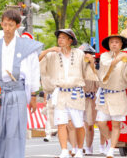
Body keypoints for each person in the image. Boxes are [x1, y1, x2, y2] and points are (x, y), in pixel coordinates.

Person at [0, 9, 42, 158]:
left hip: (17, 92)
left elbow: (33, 71)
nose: (7, 28)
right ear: (1, 24)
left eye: (11, 25)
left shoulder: (26, 47)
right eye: (5, 24)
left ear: (17, 25)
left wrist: (33, 96)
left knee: (15, 130)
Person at [39, 29, 97, 158]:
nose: (60, 40)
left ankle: (80, 149)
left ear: (71, 40)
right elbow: (38, 60)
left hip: (75, 92)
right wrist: (48, 50)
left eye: (64, 38)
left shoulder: (79, 54)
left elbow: (89, 71)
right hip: (60, 92)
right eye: (59, 37)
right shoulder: (53, 54)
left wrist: (91, 61)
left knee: (78, 124)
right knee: (61, 123)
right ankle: (64, 150)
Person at [96, 34, 127, 158]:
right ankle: (111, 140)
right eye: (112, 42)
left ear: (121, 45)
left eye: (116, 42)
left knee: (116, 124)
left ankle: (111, 149)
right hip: (105, 93)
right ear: (109, 45)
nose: (114, 44)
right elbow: (106, 67)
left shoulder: (125, 57)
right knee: (100, 123)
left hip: (118, 94)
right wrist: (120, 58)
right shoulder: (105, 56)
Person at [78, 44, 101, 155]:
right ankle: (78, 146)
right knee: (73, 124)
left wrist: (92, 65)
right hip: (77, 97)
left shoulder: (96, 68)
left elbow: (98, 83)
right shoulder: (76, 67)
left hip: (91, 98)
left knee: (89, 125)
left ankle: (88, 146)